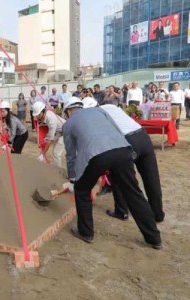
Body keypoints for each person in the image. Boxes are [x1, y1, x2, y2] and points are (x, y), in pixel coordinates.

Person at [62, 97, 162, 249]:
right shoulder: (99, 111)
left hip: (96, 155)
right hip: (123, 150)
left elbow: (71, 155)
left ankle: (86, 232)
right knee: (133, 192)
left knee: (82, 190)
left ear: (68, 111)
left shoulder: (68, 124)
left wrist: (73, 179)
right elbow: (115, 128)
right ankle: (154, 238)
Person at [94, 103, 165, 223]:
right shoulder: (112, 106)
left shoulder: (94, 115)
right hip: (142, 136)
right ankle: (158, 214)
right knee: (152, 178)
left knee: (119, 177)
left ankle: (121, 211)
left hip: (126, 140)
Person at [32, 101, 65, 168]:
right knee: (54, 150)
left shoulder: (51, 119)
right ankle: (56, 167)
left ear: (43, 111)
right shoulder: (46, 115)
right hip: (59, 131)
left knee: (56, 153)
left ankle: (57, 171)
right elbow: (50, 135)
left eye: (39, 115)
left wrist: (43, 154)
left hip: (65, 131)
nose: (38, 117)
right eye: (36, 115)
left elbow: (50, 140)